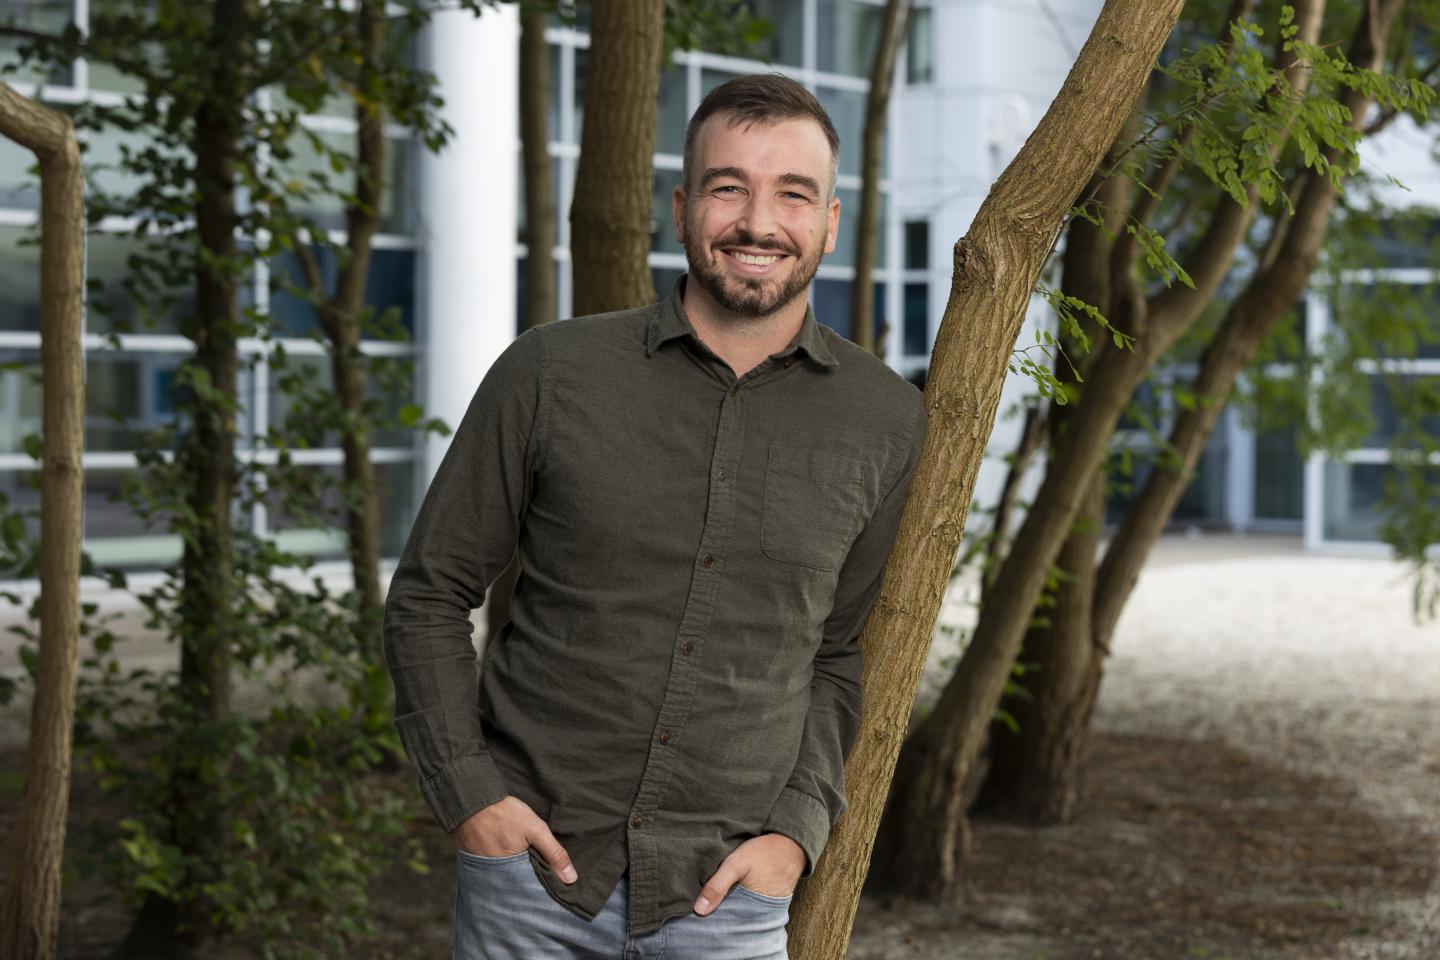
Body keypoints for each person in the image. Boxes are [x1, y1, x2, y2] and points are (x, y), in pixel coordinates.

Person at [383, 73, 928, 960]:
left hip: (731, 900)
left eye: (793, 193)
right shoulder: (551, 374)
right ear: (681, 209)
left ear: (829, 222)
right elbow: (429, 595)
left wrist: (795, 835)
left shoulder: (887, 421)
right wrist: (468, 794)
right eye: (728, 188)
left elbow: (838, 654)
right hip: (534, 883)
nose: (758, 222)